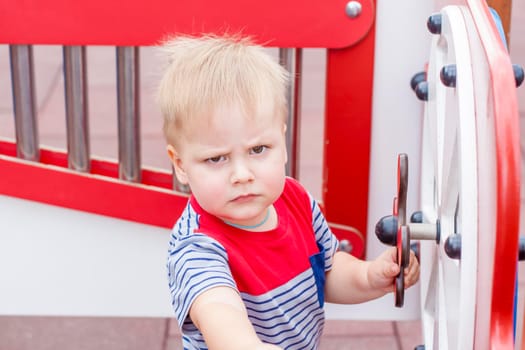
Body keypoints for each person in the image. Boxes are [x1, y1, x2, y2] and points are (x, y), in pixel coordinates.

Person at [158, 34, 420, 350]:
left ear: (282, 143)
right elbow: (220, 315)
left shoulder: (294, 200)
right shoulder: (198, 247)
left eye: (258, 149)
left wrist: (369, 277)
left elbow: (327, 268)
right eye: (216, 158)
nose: (242, 175)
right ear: (181, 165)